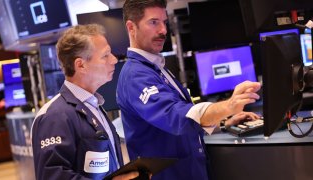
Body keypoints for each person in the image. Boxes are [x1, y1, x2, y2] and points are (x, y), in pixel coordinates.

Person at [117, 0, 261, 179]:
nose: (163, 30)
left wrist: (223, 122)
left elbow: (182, 124)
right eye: (154, 22)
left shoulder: (156, 67)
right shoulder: (136, 75)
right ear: (131, 27)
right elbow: (175, 117)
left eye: (165, 22)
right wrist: (228, 106)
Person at [31, 24, 138, 180]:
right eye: (106, 55)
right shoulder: (55, 116)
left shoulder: (93, 106)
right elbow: (53, 176)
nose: (114, 60)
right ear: (81, 65)